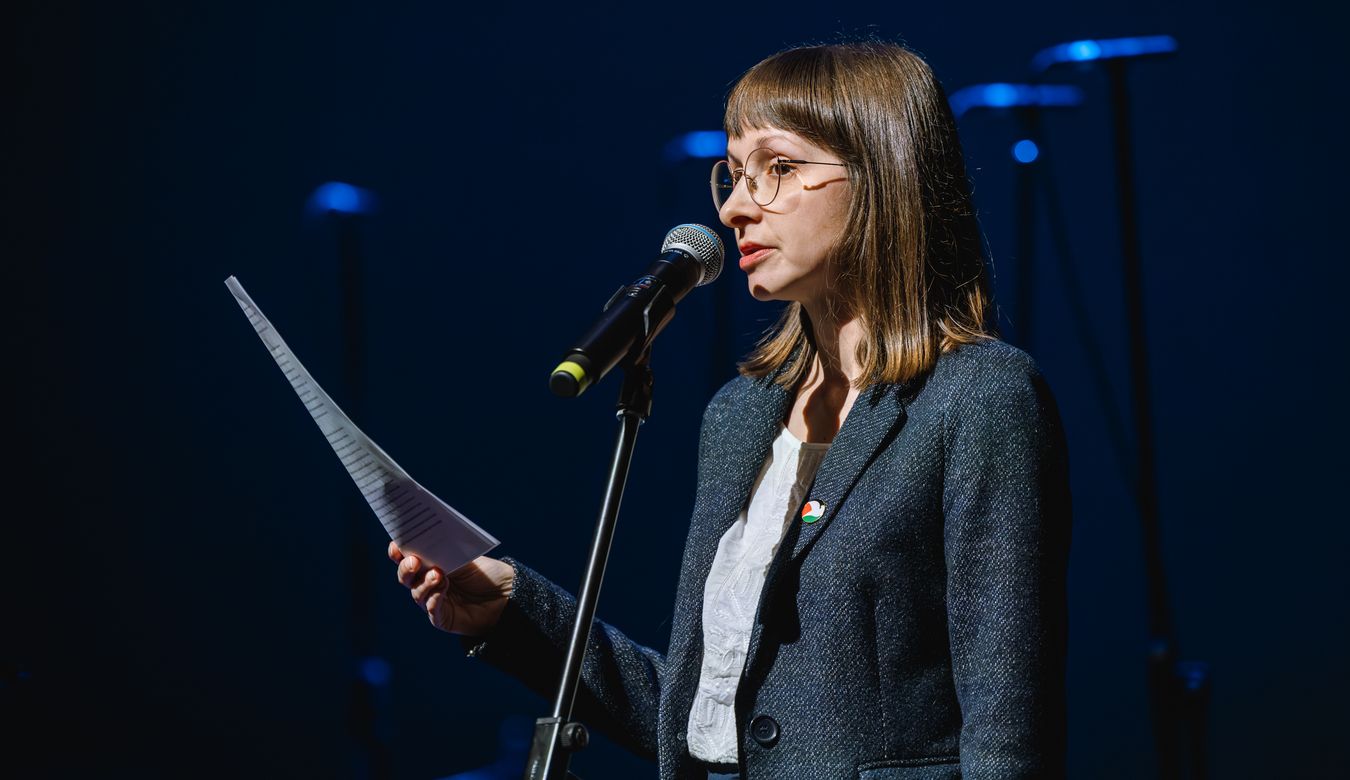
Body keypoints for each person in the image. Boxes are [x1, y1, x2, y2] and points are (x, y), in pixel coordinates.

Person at [389, 41, 1071, 780]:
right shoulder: (741, 415)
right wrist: (514, 607)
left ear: (883, 177)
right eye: (734, 173)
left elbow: (1009, 734)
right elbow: (704, 718)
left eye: (778, 168)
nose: (737, 205)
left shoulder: (979, 400)